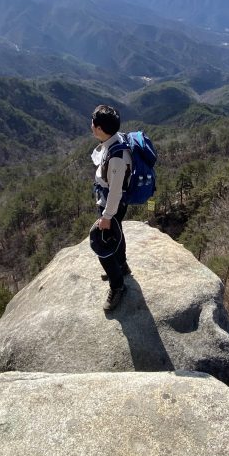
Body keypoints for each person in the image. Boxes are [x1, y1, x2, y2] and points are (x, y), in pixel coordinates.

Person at [90, 104, 131, 311]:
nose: (90, 125)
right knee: (118, 235)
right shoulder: (115, 140)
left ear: (99, 129)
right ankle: (122, 266)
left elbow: (115, 191)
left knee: (102, 247)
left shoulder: (116, 157)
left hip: (111, 205)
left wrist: (106, 216)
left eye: (93, 122)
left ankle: (117, 287)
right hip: (112, 203)